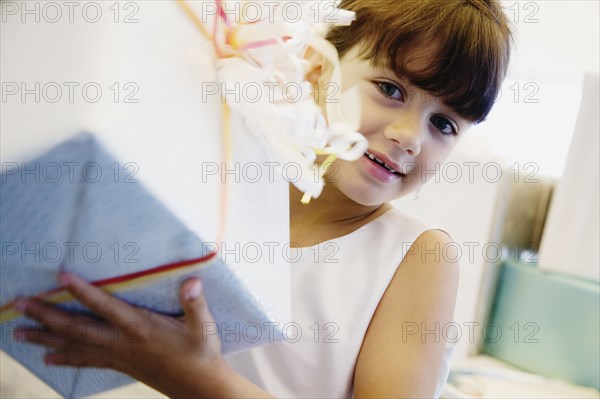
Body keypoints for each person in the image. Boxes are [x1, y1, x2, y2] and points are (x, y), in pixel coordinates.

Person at [12, 0, 512, 397]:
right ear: (318, 69)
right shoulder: (233, 175)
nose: (410, 136)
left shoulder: (418, 256)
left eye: (444, 124)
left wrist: (191, 376)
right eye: (390, 89)